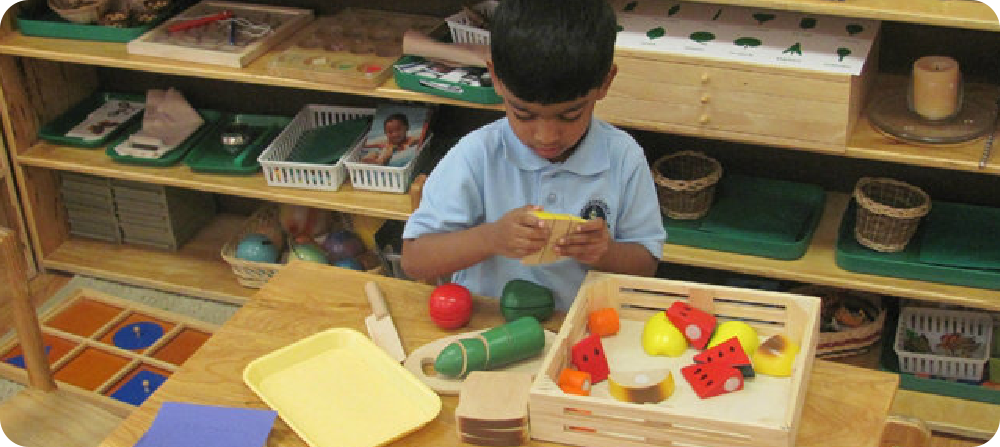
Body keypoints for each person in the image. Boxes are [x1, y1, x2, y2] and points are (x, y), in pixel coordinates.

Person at [401, 0, 666, 310]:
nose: (546, 136)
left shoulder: (623, 158)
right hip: (489, 326)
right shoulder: (477, 155)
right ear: (496, 79)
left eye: (570, 115)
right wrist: (491, 238)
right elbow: (414, 259)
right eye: (524, 114)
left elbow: (647, 264)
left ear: (605, 83)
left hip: (581, 327)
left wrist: (606, 252)